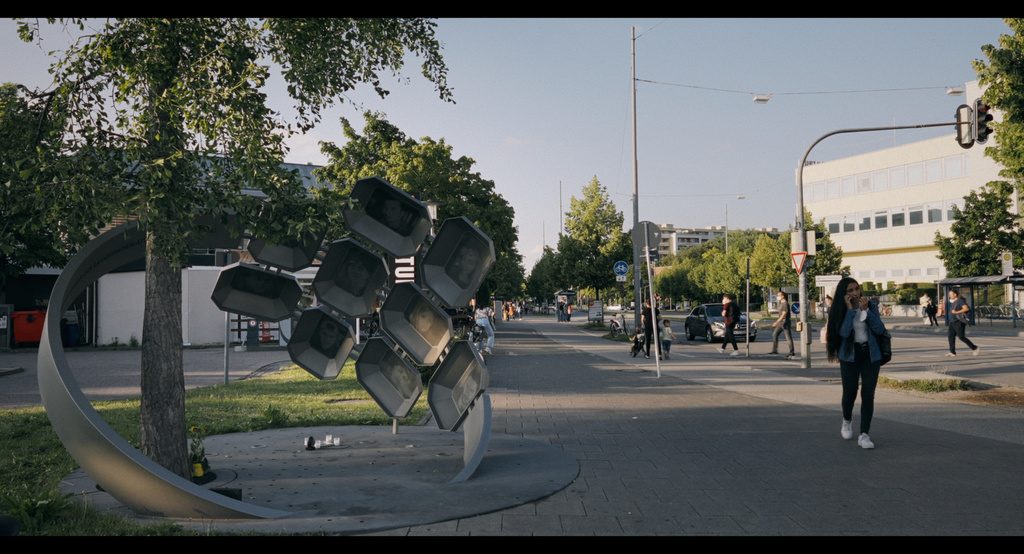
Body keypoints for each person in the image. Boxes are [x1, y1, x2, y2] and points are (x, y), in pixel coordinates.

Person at [825, 277, 886, 450]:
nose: (854, 293)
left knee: (868, 394)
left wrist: (867, 311)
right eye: (850, 290)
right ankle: (847, 420)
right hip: (849, 356)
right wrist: (851, 310)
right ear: (844, 294)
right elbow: (844, 332)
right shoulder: (840, 309)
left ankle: (864, 434)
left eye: (856, 289)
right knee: (850, 392)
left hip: (870, 354)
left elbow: (879, 329)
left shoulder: (870, 306)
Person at [946, 289, 979, 357]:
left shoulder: (960, 301)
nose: (949, 296)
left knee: (961, 337)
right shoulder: (953, 302)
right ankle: (952, 352)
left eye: (951, 294)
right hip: (952, 322)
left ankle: (974, 347)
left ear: (955, 294)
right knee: (951, 337)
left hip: (959, 322)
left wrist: (957, 312)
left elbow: (966, 308)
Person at [770, 291, 796, 359]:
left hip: (785, 323)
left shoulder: (785, 304)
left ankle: (792, 353)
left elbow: (784, 314)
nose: (777, 297)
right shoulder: (781, 303)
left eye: (779, 295)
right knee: (775, 334)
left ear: (782, 296)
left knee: (788, 338)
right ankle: (774, 350)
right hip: (781, 323)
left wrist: (777, 321)